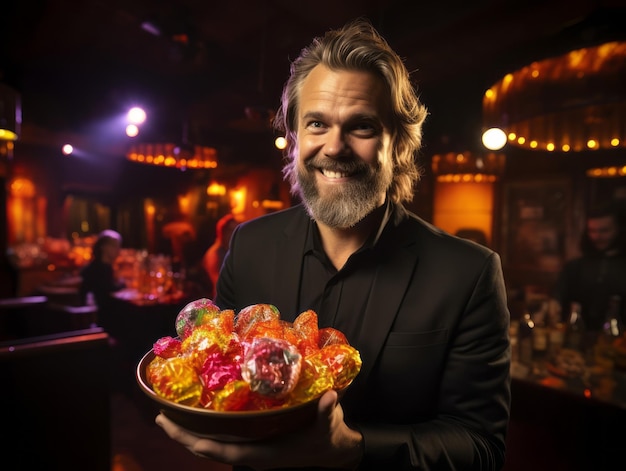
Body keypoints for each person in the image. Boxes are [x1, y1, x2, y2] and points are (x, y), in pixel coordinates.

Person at [156, 19, 511, 470]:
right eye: (317, 123)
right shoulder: (250, 245)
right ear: (296, 138)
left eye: (361, 126)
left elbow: (482, 447)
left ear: (399, 143)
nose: (335, 146)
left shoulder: (468, 272)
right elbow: (221, 382)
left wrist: (356, 448)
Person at [556, 202, 626, 331]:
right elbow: (558, 300)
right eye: (592, 231)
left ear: (619, 229)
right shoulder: (574, 267)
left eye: (604, 231)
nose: (596, 237)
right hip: (577, 339)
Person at [79, 229, 125, 309]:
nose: (118, 250)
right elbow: (107, 293)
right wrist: (124, 285)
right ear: (103, 247)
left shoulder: (104, 267)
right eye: (114, 246)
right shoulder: (99, 270)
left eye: (119, 246)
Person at [201, 213, 239, 298]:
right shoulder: (214, 254)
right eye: (231, 230)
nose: (235, 234)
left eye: (236, 230)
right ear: (222, 232)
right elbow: (218, 286)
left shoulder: (231, 252)